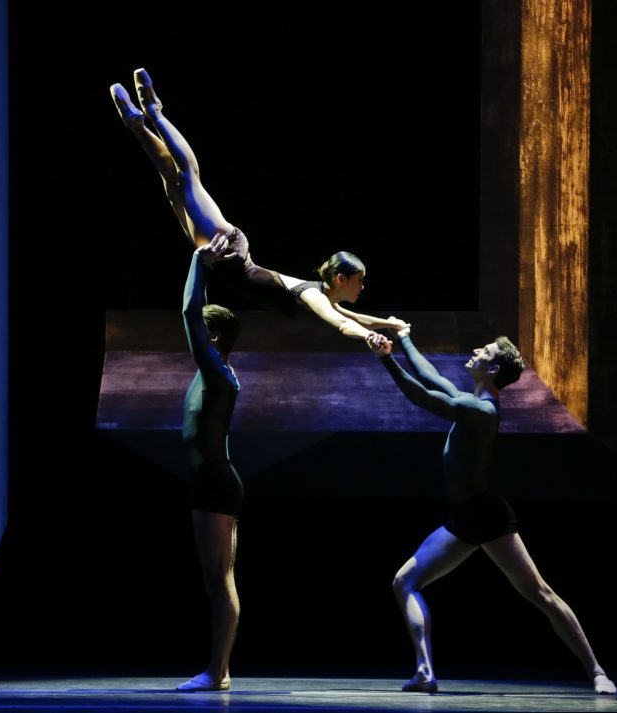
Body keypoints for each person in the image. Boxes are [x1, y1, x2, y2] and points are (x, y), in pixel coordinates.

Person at [366, 327, 617, 696]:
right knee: (404, 582)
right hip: (463, 520)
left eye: (483, 351)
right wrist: (402, 339)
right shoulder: (472, 401)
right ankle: (425, 671)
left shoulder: (481, 410)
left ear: (494, 369)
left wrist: (387, 359)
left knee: (540, 593)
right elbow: (431, 377)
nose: (475, 351)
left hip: (487, 517)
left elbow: (421, 396)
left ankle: (597, 671)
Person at [110, 68, 405, 343]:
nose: (362, 287)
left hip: (221, 259)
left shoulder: (323, 297)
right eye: (360, 280)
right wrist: (369, 338)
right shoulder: (314, 296)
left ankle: (136, 125)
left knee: (174, 187)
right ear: (341, 279)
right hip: (229, 251)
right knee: (188, 179)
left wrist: (387, 324)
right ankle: (154, 111)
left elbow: (354, 318)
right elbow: (342, 324)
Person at [175, 244, 244, 692]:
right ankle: (220, 670)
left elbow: (188, 310)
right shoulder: (217, 371)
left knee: (218, 581)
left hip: (215, 481)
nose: (193, 335)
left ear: (213, 337)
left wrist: (198, 263)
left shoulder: (217, 369)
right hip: (217, 480)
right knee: (217, 579)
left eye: (202, 331)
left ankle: (216, 672)